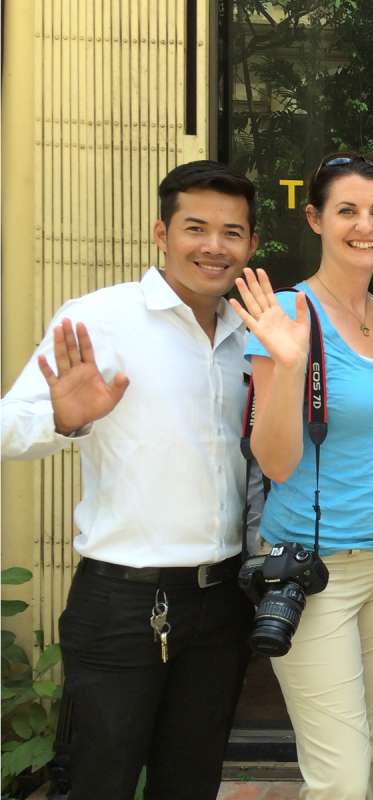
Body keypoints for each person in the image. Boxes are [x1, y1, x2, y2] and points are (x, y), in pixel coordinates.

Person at [0, 161, 258, 799]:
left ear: (251, 245)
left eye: (232, 232)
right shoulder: (102, 319)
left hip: (221, 601)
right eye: (195, 227)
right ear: (160, 233)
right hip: (121, 604)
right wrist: (63, 418)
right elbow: (9, 426)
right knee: (98, 783)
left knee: (191, 784)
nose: (213, 246)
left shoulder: (248, 332)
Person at [231, 152, 373, 800]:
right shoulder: (287, 316)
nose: (363, 225)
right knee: (338, 779)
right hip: (315, 573)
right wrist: (288, 365)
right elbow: (277, 462)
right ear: (315, 218)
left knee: (367, 755)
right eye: (347, 210)